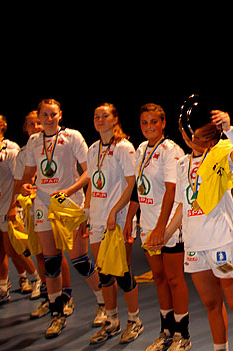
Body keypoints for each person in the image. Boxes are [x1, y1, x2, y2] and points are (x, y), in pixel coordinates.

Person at [162, 110, 233, 351]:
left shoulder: (222, 153)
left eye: (203, 133)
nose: (197, 138)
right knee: (211, 305)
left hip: (222, 241)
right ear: (183, 133)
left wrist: (229, 128)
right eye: (193, 132)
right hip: (194, 246)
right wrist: (166, 232)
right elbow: (183, 203)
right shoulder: (181, 164)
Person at [13, 98, 103, 338]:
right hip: (43, 204)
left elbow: (89, 171)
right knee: (51, 262)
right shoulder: (34, 141)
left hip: (69, 204)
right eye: (45, 115)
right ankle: (57, 314)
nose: (49, 119)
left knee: (80, 260)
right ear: (39, 117)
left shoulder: (72, 137)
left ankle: (104, 305)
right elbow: (30, 174)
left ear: (60, 114)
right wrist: (25, 186)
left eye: (53, 114)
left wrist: (70, 191)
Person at [130, 103, 189, 351]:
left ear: (163, 124)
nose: (149, 127)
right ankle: (166, 332)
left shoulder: (170, 150)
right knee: (159, 278)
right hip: (146, 225)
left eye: (154, 122)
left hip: (168, 228)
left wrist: (160, 228)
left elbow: (172, 190)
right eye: (145, 122)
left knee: (175, 279)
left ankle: (182, 336)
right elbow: (137, 188)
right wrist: (130, 221)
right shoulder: (141, 149)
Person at [12, 111, 81, 320]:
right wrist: (21, 194)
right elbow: (21, 179)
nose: (37, 127)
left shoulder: (62, 141)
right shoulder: (26, 150)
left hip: (59, 204)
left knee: (57, 255)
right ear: (26, 127)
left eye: (38, 123)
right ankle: (50, 298)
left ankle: (66, 296)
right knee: (41, 255)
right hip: (35, 205)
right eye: (32, 124)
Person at [84, 103, 143, 344]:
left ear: (115, 119)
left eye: (104, 116)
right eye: (96, 116)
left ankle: (134, 320)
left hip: (116, 220)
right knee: (103, 272)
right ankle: (111, 320)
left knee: (122, 271)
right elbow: (91, 183)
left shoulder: (124, 148)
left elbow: (132, 183)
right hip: (97, 219)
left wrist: (116, 211)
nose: (99, 119)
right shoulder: (93, 148)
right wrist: (85, 214)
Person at [0, 118, 41, 305]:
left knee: (13, 250)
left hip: (8, 208)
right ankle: (3, 287)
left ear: (1, 135)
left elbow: (19, 181)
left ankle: (35, 278)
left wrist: (14, 206)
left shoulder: (12, 154)